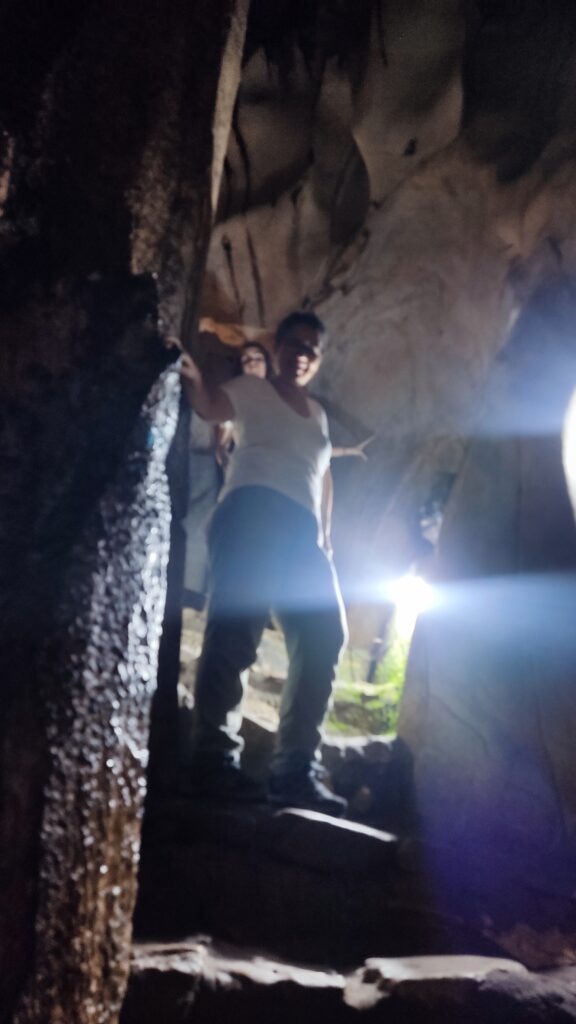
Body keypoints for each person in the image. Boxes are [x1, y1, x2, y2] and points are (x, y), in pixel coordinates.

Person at [180, 311, 348, 815]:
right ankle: (212, 759)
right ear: (277, 349)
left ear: (318, 360)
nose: (301, 354)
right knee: (237, 629)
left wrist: (325, 536)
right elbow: (210, 406)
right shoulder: (252, 391)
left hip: (303, 532)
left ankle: (293, 770)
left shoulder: (318, 416)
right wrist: (193, 377)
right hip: (252, 507)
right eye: (294, 344)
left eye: (311, 349)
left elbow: (321, 475)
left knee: (324, 633)